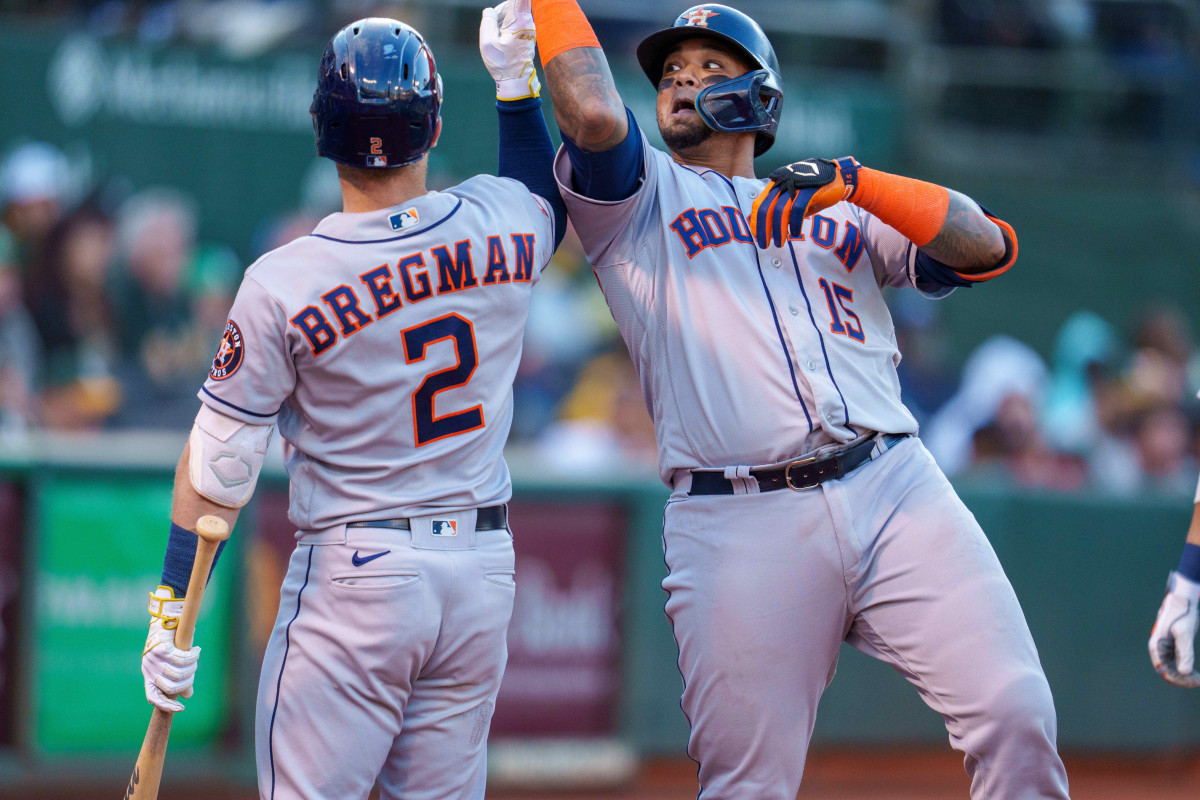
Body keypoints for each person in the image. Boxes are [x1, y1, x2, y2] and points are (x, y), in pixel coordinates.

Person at [524, 2, 1070, 797]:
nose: (682, 82)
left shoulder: (835, 202)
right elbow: (595, 110)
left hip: (894, 486)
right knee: (747, 785)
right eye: (672, 74)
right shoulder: (637, 203)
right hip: (738, 517)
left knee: (1018, 713)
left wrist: (860, 183)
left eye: (710, 69)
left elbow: (984, 244)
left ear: (762, 96)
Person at [138, 9, 565, 799]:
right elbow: (546, 194)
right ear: (432, 123)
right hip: (478, 574)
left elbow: (220, 472)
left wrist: (171, 611)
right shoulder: (500, 217)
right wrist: (516, 88)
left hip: (358, 574)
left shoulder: (285, 278)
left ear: (323, 130)